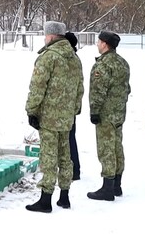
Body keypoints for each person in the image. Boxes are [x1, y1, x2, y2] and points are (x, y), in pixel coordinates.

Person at [24, 21, 84, 212]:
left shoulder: (48, 57)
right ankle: (64, 196)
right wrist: (74, 110)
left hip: (49, 116)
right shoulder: (74, 58)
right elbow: (79, 89)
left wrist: (31, 110)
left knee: (49, 156)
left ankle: (45, 199)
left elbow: (37, 87)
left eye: (45, 35)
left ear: (51, 36)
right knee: (65, 156)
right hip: (66, 117)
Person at [87, 30, 131, 201]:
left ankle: (107, 188)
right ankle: (117, 185)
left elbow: (98, 91)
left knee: (106, 149)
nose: (97, 44)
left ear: (105, 44)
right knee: (117, 147)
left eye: (99, 41)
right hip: (119, 113)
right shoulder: (123, 63)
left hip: (106, 113)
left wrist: (95, 111)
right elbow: (127, 88)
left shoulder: (103, 65)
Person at [65, 31, 82, 180]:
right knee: (71, 137)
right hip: (72, 106)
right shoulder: (76, 59)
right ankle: (75, 169)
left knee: (68, 139)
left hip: (65, 106)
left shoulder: (70, 59)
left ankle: (73, 170)